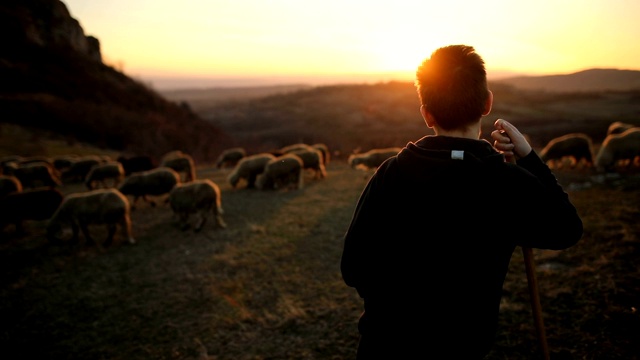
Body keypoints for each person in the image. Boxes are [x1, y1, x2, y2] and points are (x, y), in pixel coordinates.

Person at [340, 44, 583, 359]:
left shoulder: (392, 174)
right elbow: (567, 229)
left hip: (384, 346)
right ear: (487, 103)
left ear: (426, 114)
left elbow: (353, 267)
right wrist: (529, 159)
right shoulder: (508, 183)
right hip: (462, 348)